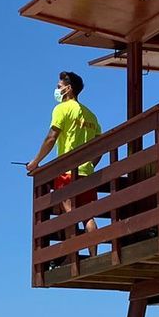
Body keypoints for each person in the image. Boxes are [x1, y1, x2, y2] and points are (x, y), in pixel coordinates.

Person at [24, 71, 102, 238]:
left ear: (68, 89)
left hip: (66, 171)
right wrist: (90, 164)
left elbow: (51, 138)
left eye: (59, 87)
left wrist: (35, 161)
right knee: (87, 215)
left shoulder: (62, 109)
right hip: (87, 172)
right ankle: (93, 254)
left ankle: (71, 253)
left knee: (69, 214)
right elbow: (100, 146)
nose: (56, 90)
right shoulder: (91, 115)